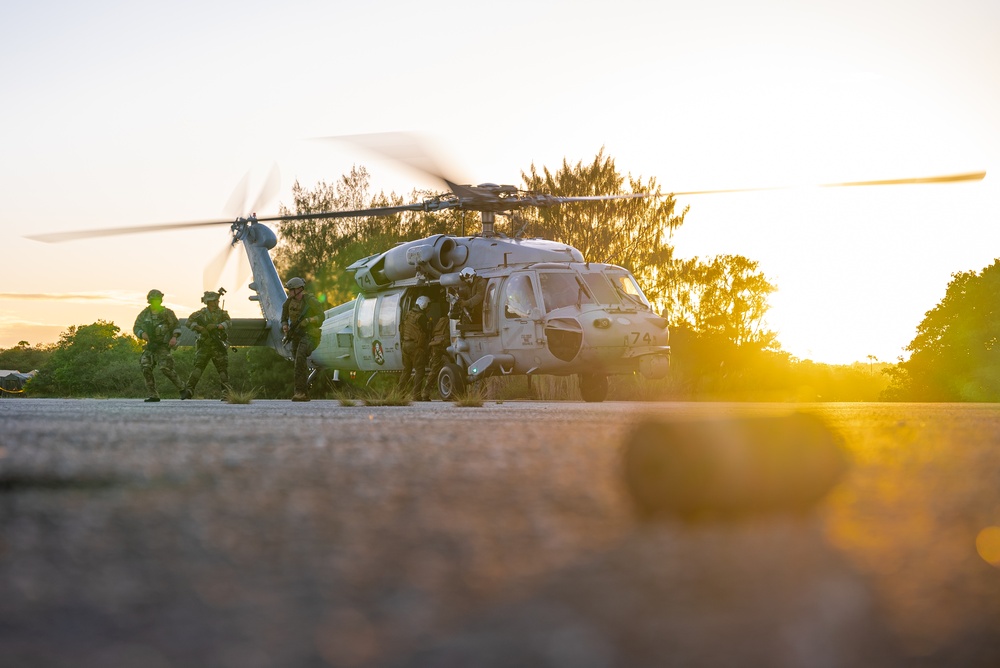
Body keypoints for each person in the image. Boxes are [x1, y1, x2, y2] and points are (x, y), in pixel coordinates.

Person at [133, 289, 185, 402]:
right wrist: (142, 334)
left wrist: (174, 337)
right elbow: (136, 327)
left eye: (157, 300)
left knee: (165, 368)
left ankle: (182, 388)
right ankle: (153, 394)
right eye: (153, 300)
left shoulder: (167, 313)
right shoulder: (144, 314)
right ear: (149, 301)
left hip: (163, 345)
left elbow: (176, 325)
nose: (155, 302)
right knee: (145, 366)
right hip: (151, 345)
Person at [281, 277, 326, 402]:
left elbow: (321, 316)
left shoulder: (310, 301)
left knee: (300, 356)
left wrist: (309, 320)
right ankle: (303, 392)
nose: (289, 292)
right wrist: (285, 326)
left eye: (291, 290)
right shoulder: (288, 303)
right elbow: (283, 318)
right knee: (298, 362)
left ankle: (300, 392)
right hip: (296, 335)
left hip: (311, 335)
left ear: (298, 289)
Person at [182, 291, 232, 400]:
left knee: (222, 369)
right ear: (209, 302)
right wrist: (199, 328)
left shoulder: (222, 313)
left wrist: (217, 326)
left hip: (217, 345)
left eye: (217, 300)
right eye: (215, 300)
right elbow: (188, 323)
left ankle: (226, 392)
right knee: (198, 368)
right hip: (204, 345)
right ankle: (189, 390)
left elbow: (228, 323)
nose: (217, 302)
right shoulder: (200, 314)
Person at [398, 295, 430, 399]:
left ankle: (399, 394)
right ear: (424, 305)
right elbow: (426, 332)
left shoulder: (408, 314)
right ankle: (416, 395)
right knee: (420, 370)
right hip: (415, 346)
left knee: (406, 370)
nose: (429, 308)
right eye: (428, 305)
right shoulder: (421, 317)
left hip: (405, 345)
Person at [420, 302, 451, 401]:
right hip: (444, 344)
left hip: (435, 345)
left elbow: (433, 332)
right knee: (453, 367)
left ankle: (425, 393)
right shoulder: (452, 320)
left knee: (434, 370)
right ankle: (451, 390)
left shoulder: (441, 320)